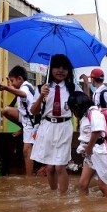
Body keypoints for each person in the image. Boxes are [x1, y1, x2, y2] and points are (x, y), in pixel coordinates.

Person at [30, 54, 82, 193]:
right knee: (50, 167)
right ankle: (53, 195)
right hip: (47, 127)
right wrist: (41, 95)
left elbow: (83, 107)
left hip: (64, 127)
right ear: (50, 69)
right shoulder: (42, 88)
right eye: (57, 67)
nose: (61, 70)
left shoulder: (73, 88)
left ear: (69, 71)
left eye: (64, 68)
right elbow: (33, 111)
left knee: (60, 166)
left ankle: (63, 198)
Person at [67, 91, 107, 197]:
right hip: (90, 153)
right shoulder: (86, 115)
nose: (73, 113)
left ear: (76, 106)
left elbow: (97, 131)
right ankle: (85, 210)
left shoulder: (94, 113)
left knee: (102, 185)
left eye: (73, 109)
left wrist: (89, 147)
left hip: (99, 152)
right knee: (83, 185)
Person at [0, 65, 38, 176]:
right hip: (24, 119)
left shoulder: (25, 86)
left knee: (26, 151)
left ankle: (29, 180)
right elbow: (19, 97)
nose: (11, 83)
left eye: (12, 81)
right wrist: (13, 89)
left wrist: (6, 88)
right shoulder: (22, 87)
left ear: (20, 79)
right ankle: (22, 129)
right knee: (6, 110)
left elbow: (23, 94)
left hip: (30, 121)